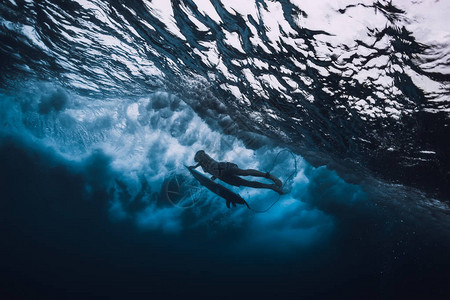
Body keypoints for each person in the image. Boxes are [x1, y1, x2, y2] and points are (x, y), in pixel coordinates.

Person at [189, 150, 283, 194]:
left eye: (199, 156)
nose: (199, 157)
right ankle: (271, 187)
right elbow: (213, 173)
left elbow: (203, 157)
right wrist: (210, 179)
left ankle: (270, 176)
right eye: (197, 158)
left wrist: (194, 166)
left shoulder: (204, 156)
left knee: (244, 172)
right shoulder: (203, 166)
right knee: (247, 183)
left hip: (224, 167)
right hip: (223, 177)